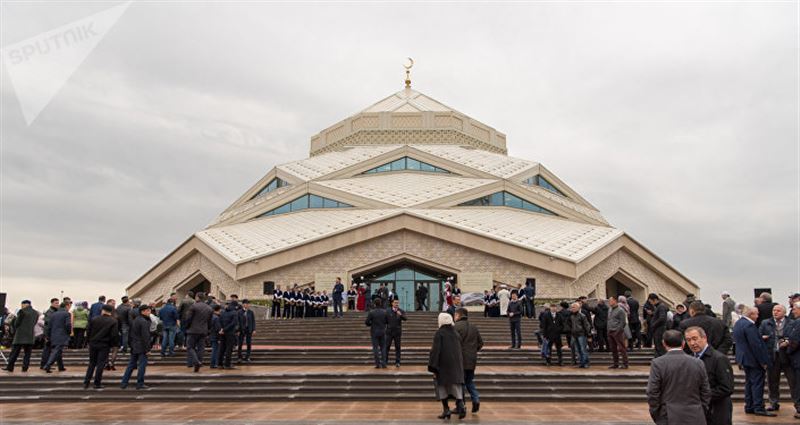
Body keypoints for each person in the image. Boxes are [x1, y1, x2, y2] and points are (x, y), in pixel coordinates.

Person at [646, 329, 710, 424]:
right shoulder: (698, 362)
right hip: (695, 414)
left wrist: (657, 413)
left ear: (664, 343)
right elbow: (705, 391)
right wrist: (701, 408)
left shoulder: (658, 363)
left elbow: (652, 391)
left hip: (668, 415)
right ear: (683, 343)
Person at [683, 326, 733, 425]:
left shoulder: (719, 359)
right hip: (698, 411)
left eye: (695, 339)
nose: (692, 343)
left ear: (704, 338)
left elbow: (727, 388)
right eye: (688, 340)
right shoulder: (689, 359)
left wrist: (702, 395)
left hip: (717, 411)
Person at [733, 306, 776, 416]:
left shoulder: (739, 323)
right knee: (757, 383)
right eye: (756, 314)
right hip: (753, 359)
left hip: (744, 358)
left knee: (749, 383)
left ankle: (749, 405)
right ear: (751, 314)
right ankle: (758, 407)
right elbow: (755, 345)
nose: (758, 317)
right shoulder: (749, 325)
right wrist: (763, 361)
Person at [759, 303, 798, 413]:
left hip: (788, 356)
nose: (775, 312)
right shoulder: (766, 323)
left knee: (793, 382)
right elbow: (758, 336)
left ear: (784, 312)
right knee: (772, 381)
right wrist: (762, 338)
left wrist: (788, 342)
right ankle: (773, 402)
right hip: (772, 356)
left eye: (778, 311)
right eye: (774, 310)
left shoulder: (792, 323)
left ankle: (797, 403)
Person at [428, 312, 466, 420]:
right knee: (456, 387)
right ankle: (461, 406)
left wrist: (433, 366)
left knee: (442, 387)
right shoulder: (456, 334)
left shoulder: (439, 333)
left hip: (443, 365)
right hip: (456, 365)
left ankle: (446, 409)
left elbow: (435, 351)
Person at [454, 307, 483, 414]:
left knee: (459, 383)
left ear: (458, 315)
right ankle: (476, 399)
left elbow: (453, 344)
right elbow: (481, 343)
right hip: (472, 360)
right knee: (469, 381)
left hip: (460, 360)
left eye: (455, 315)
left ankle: (461, 406)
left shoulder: (455, 327)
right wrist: (473, 351)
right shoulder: (474, 327)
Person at [83, 304, 118, 389]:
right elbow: (114, 335)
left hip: (93, 343)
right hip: (104, 344)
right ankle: (97, 383)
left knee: (92, 363)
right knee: (100, 364)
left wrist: (87, 341)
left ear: (103, 310)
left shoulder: (94, 319)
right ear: (111, 312)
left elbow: (88, 331)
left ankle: (86, 382)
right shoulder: (113, 321)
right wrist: (113, 345)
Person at [120, 304, 152, 390]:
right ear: (143, 311)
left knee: (131, 365)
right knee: (142, 365)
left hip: (134, 345)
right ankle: (140, 383)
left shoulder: (136, 320)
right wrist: (147, 349)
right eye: (148, 311)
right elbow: (145, 336)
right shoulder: (144, 321)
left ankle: (124, 382)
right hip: (141, 346)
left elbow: (131, 334)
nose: (150, 312)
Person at [3, 300, 38, 372]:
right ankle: (25, 367)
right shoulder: (35, 313)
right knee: (27, 354)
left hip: (20, 336)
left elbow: (16, 323)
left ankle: (10, 367)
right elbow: (34, 322)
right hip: (30, 336)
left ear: (24, 304)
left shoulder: (22, 311)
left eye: (22, 305)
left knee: (14, 353)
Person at [186, 293, 213, 372]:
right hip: (203, 330)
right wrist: (208, 330)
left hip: (193, 330)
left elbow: (188, 318)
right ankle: (199, 362)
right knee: (201, 348)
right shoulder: (209, 308)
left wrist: (187, 327)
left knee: (190, 347)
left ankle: (196, 361)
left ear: (197, 297)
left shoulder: (193, 306)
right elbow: (210, 321)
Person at [43, 303, 71, 373]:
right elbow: (68, 324)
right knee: (57, 350)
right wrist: (69, 332)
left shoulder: (54, 314)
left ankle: (61, 366)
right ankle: (48, 365)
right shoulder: (66, 314)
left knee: (58, 350)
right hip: (62, 335)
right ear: (66, 306)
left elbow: (49, 326)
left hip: (53, 335)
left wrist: (48, 336)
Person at [784, 301, 800, 419]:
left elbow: (794, 341)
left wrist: (787, 350)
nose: (793, 311)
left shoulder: (798, 323)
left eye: (794, 309)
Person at [566, 302, 591, 368]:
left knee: (583, 349)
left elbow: (586, 325)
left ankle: (585, 362)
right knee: (577, 350)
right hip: (574, 334)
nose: (572, 309)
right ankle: (581, 362)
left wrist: (588, 334)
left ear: (578, 308)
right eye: (572, 307)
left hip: (581, 334)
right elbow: (570, 324)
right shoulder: (571, 316)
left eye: (574, 307)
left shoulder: (582, 316)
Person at [365, 298, 389, 368]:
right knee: (383, 348)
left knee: (375, 348)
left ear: (374, 304)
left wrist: (371, 324)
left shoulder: (371, 312)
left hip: (374, 332)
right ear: (381, 303)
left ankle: (377, 364)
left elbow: (366, 322)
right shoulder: (385, 312)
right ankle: (384, 363)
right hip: (382, 331)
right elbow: (387, 321)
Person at [607, 296, 629, 369]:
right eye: (609, 301)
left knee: (622, 348)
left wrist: (618, 330)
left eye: (611, 300)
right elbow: (609, 320)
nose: (609, 302)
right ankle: (615, 363)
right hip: (610, 331)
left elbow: (623, 322)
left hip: (617, 332)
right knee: (613, 349)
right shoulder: (609, 310)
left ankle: (625, 364)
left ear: (615, 301)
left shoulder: (620, 310)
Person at [384, 298, 406, 368]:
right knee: (387, 347)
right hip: (389, 332)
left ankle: (398, 362)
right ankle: (385, 362)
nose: (396, 304)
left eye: (397, 303)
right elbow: (385, 320)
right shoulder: (387, 311)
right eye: (395, 303)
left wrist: (401, 315)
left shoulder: (401, 311)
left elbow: (405, 318)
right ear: (392, 303)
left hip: (397, 332)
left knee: (398, 347)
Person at [40, 298, 60, 369]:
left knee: (51, 350)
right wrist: (47, 335)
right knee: (47, 350)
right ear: (52, 303)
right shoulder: (50, 312)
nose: (58, 304)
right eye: (56, 303)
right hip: (50, 334)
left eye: (58, 303)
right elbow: (47, 325)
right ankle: (44, 364)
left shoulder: (55, 311)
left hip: (53, 333)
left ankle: (47, 364)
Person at [219, 301, 240, 369]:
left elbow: (220, 321)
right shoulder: (234, 313)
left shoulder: (223, 312)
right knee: (229, 348)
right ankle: (227, 364)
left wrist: (222, 329)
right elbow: (234, 323)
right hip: (230, 333)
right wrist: (225, 329)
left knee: (222, 348)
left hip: (223, 333)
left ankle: (220, 363)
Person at [237, 299, 256, 363]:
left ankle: (247, 357)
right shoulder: (239, 312)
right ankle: (239, 357)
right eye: (246, 303)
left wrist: (254, 329)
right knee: (240, 344)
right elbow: (237, 322)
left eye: (248, 304)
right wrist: (238, 330)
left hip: (249, 329)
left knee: (249, 343)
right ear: (243, 304)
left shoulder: (251, 312)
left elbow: (253, 321)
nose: (247, 305)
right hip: (241, 330)